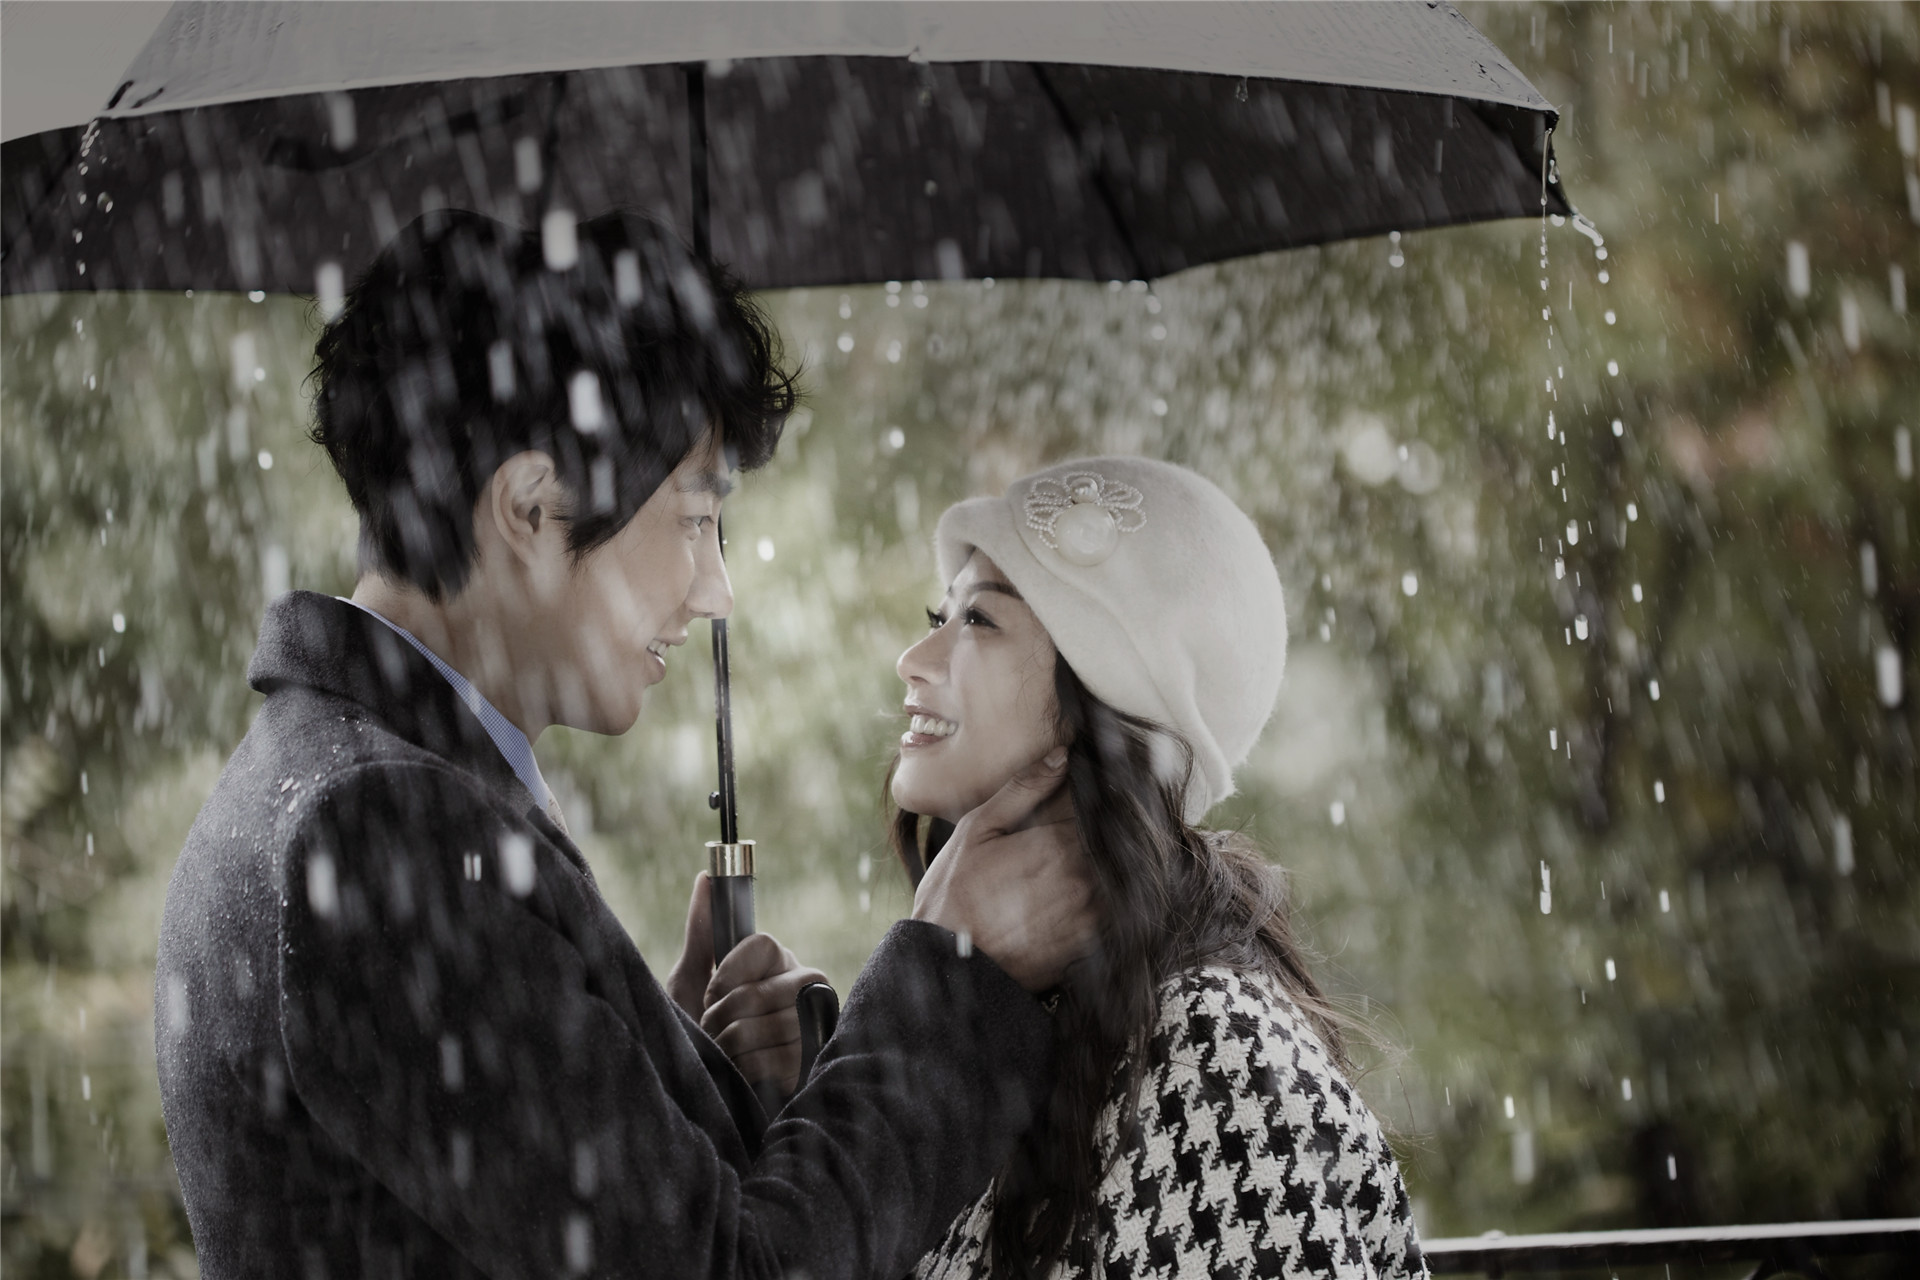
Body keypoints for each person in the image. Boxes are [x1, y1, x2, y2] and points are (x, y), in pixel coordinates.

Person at [153, 208, 1095, 1280]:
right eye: (694, 519)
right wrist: (945, 980)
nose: (716, 587)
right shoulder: (380, 828)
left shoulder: (338, 776)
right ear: (530, 504)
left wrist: (667, 1054)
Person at [892, 458, 1426, 1280]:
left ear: (1105, 702)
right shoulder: (991, 1015)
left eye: (979, 621)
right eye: (940, 614)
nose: (914, 658)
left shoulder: (1220, 1067)